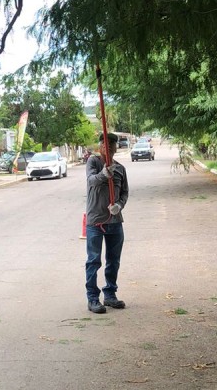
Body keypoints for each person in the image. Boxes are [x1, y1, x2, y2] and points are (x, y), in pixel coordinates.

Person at [85, 132, 129, 314]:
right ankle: (93, 299)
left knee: (113, 261)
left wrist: (119, 205)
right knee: (94, 261)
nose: (109, 146)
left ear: (115, 147)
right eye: (105, 143)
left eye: (112, 143)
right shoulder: (93, 162)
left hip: (115, 221)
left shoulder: (120, 168)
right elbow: (91, 181)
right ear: (100, 146)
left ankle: (110, 295)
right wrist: (104, 174)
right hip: (96, 221)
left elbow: (125, 192)